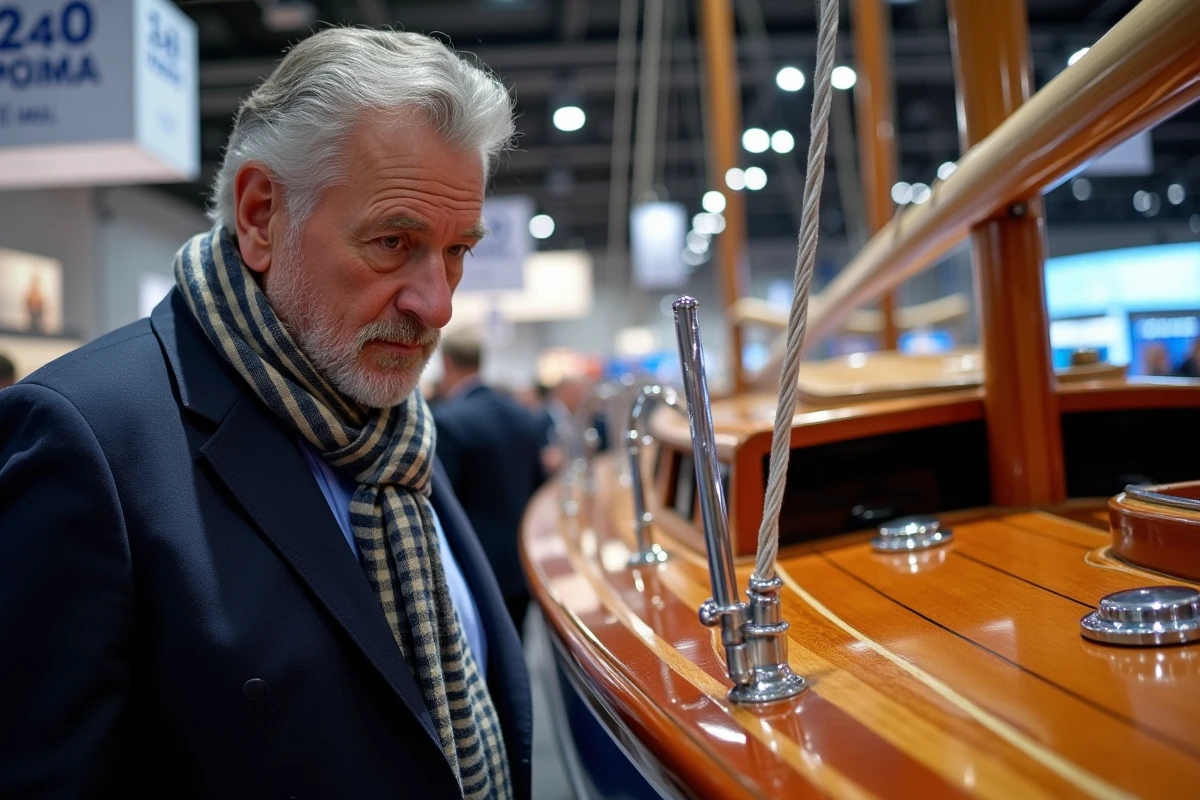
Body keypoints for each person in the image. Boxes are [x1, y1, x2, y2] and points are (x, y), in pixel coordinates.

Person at [0, 29, 530, 799]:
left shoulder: (395, 436)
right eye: (393, 242)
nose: (438, 304)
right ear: (259, 216)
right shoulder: (85, 440)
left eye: (457, 252)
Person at [433, 332, 545, 637]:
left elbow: (442, 505)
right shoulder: (523, 415)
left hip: (475, 567)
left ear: (447, 362)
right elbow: (539, 485)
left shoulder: (447, 421)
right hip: (522, 561)